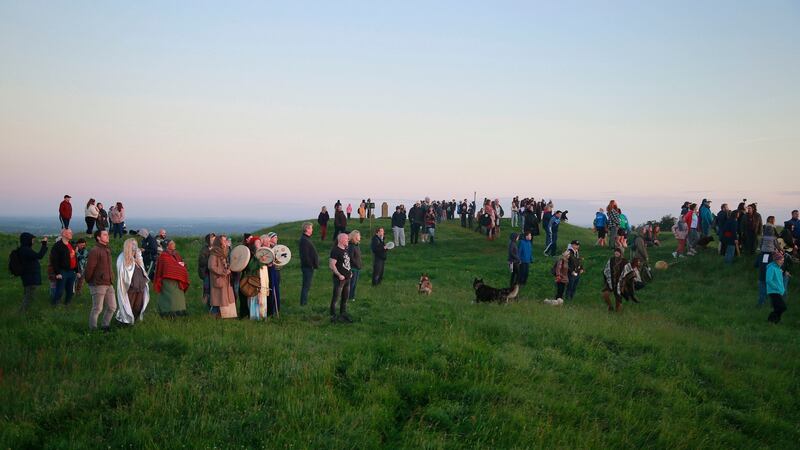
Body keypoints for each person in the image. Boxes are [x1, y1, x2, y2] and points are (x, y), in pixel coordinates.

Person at [84, 230, 116, 330]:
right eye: (105, 235)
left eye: (107, 235)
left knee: (112, 307)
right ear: (98, 237)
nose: (107, 236)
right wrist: (90, 281)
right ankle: (93, 329)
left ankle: (105, 326)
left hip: (108, 282)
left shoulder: (107, 249)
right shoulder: (95, 250)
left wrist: (111, 277)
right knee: (97, 308)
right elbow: (89, 268)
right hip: (98, 283)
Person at [115, 238, 150, 324]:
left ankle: (133, 322)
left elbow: (142, 270)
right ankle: (124, 322)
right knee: (128, 306)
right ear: (128, 246)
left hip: (140, 287)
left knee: (138, 306)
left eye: (135, 244)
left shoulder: (137, 258)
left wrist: (138, 256)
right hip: (130, 288)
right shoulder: (122, 257)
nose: (135, 247)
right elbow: (123, 274)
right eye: (132, 244)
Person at [153, 239, 189, 317]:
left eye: (174, 243)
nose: (174, 244)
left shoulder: (176, 254)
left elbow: (179, 264)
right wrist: (179, 267)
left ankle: (180, 312)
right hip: (168, 281)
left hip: (178, 280)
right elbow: (168, 268)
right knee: (169, 298)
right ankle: (168, 313)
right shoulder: (163, 256)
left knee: (178, 298)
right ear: (167, 246)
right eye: (172, 243)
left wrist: (182, 266)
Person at [17, 233, 48, 311]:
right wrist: (44, 244)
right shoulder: (25, 250)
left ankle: (25, 311)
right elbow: (39, 256)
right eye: (32, 240)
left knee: (29, 295)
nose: (33, 242)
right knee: (29, 296)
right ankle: (22, 312)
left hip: (28, 276)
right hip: (30, 277)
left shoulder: (25, 249)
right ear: (27, 240)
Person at [208, 235, 237, 318]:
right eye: (223, 241)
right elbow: (211, 266)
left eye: (225, 240)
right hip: (219, 279)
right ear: (219, 242)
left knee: (224, 298)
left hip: (225, 279)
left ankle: (225, 315)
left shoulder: (224, 252)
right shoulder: (214, 254)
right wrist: (223, 272)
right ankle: (214, 316)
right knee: (218, 298)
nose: (225, 242)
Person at [50, 228, 78, 306]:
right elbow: (54, 260)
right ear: (64, 234)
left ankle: (67, 304)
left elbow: (74, 258)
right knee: (60, 290)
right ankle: (55, 304)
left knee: (70, 291)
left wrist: (77, 270)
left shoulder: (71, 245)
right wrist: (57, 272)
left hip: (72, 271)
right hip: (63, 271)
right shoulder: (57, 246)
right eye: (70, 233)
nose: (72, 234)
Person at [329, 233, 352, 323]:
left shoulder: (345, 249)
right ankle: (333, 316)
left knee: (345, 298)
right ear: (341, 240)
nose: (348, 240)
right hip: (339, 279)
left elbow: (346, 263)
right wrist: (339, 275)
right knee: (336, 298)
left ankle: (343, 314)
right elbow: (331, 265)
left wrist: (350, 273)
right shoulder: (335, 250)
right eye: (346, 239)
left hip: (347, 279)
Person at [299, 222, 319, 306]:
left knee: (307, 285)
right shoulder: (304, 240)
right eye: (311, 228)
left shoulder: (306, 239)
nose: (312, 229)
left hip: (309, 267)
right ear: (306, 229)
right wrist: (310, 265)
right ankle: (303, 304)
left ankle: (304, 302)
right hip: (307, 267)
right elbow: (305, 255)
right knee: (306, 286)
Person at [602, 248, 627, 312]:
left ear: (621, 253)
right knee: (605, 294)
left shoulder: (625, 262)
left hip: (620, 283)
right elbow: (606, 270)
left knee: (618, 304)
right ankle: (610, 306)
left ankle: (617, 313)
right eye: (615, 251)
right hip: (611, 281)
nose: (616, 253)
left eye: (618, 251)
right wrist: (607, 280)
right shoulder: (611, 260)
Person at [766, 251, 787, 324]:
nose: (782, 262)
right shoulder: (771, 268)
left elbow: (779, 281)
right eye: (781, 260)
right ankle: (771, 319)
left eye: (783, 260)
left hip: (779, 291)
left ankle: (776, 320)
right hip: (773, 291)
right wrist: (777, 287)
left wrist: (782, 289)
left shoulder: (778, 269)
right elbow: (768, 280)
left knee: (777, 307)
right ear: (776, 260)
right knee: (783, 307)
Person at [197, 233, 215, 307]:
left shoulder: (217, 248)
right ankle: (207, 306)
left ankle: (214, 305)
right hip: (207, 273)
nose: (213, 241)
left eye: (214, 239)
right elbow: (201, 262)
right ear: (208, 240)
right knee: (207, 289)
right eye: (212, 239)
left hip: (215, 273)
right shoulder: (204, 249)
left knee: (214, 290)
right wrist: (210, 253)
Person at [347, 230, 363, 302]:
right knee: (351, 283)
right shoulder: (351, 246)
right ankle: (348, 297)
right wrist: (356, 264)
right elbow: (350, 257)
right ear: (355, 237)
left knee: (355, 283)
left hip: (357, 267)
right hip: (353, 268)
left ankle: (352, 297)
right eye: (359, 235)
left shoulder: (357, 245)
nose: (360, 237)